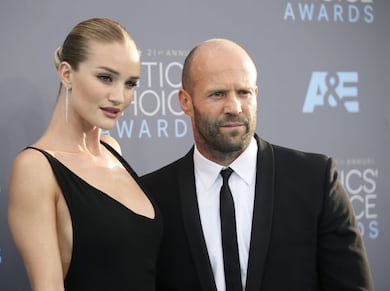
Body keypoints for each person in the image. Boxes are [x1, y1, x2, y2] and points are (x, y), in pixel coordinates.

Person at [140, 38, 373, 291]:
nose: (234, 107)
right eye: (217, 94)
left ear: (256, 95)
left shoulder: (315, 180)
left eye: (244, 92)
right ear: (185, 101)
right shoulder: (153, 195)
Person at [8, 18, 162, 291]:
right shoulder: (35, 168)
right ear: (67, 73)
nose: (119, 96)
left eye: (130, 84)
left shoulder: (112, 149)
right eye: (105, 78)